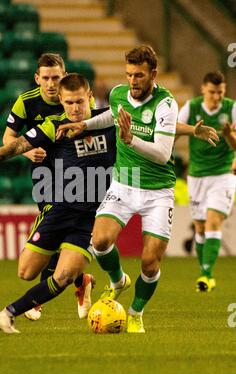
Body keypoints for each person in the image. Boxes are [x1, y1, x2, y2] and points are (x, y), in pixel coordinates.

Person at [56, 45, 219, 334]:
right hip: (124, 181)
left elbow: (162, 151)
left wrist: (130, 140)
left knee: (150, 261)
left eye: (139, 75)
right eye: (129, 74)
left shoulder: (165, 103)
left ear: (153, 74)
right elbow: (113, 115)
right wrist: (85, 125)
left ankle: (135, 312)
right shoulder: (119, 93)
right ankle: (118, 280)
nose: (133, 80)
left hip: (158, 190)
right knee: (100, 240)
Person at [0, 73, 116, 334]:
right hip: (58, 210)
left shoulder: (110, 120)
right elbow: (12, 148)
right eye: (69, 103)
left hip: (91, 217)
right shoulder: (52, 126)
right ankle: (80, 276)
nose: (75, 109)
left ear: (89, 96)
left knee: (63, 276)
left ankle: (7, 314)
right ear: (61, 100)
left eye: (80, 101)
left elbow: (155, 127)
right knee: (26, 272)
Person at [4, 52, 95, 321]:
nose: (52, 83)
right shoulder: (26, 102)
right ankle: (81, 281)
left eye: (56, 77)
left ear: (64, 76)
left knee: (58, 236)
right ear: (37, 78)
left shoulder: (76, 100)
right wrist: (26, 153)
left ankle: (37, 301)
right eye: (46, 78)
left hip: (76, 179)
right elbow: (8, 136)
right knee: (55, 240)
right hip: (44, 176)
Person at [178, 71, 236, 292]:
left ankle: (206, 275)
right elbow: (174, 129)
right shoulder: (191, 108)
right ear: (203, 89)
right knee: (200, 228)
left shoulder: (232, 108)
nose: (216, 97)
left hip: (223, 175)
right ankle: (204, 269)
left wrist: (229, 135)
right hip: (197, 176)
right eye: (212, 92)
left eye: (220, 93)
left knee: (213, 221)